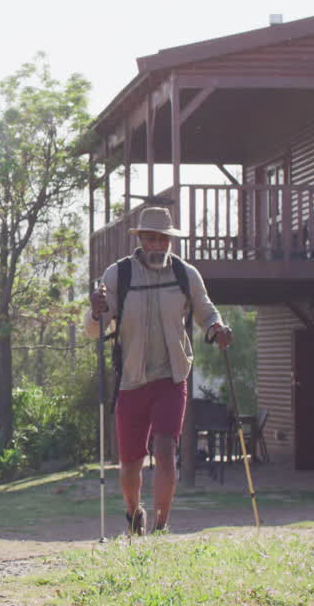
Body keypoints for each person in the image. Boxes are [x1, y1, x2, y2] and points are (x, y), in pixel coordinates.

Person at [85, 207, 232, 535]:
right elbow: (94, 331)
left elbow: (206, 312)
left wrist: (218, 328)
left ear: (170, 241)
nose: (157, 244)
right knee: (131, 461)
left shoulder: (185, 274)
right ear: (140, 240)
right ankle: (134, 513)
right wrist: (95, 313)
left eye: (163, 238)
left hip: (172, 376)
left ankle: (161, 525)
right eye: (150, 238)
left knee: (166, 450)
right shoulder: (118, 275)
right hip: (131, 379)